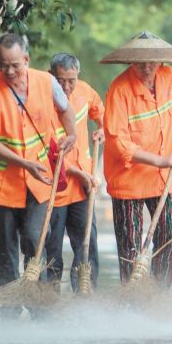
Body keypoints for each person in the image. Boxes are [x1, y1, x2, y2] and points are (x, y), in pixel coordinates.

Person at [0, 33, 76, 295]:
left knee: (35, 235)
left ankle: (40, 304)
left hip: (38, 180)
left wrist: (71, 134)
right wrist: (24, 163)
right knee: (5, 250)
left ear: (26, 59)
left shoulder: (47, 82)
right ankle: (10, 309)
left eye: (16, 64)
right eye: (4, 64)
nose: (10, 70)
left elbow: (64, 109)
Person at [102, 31, 172, 286]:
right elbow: (118, 143)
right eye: (141, 62)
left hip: (166, 179)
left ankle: (159, 294)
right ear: (131, 61)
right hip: (128, 181)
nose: (147, 67)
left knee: (169, 235)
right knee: (130, 244)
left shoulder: (170, 77)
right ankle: (132, 296)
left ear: (161, 62)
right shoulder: (119, 90)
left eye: (152, 62)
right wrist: (160, 161)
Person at [44, 53, 105, 291]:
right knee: (53, 247)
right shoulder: (43, 102)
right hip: (56, 188)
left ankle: (86, 290)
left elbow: (102, 114)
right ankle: (49, 296)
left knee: (86, 244)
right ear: (51, 77)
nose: (67, 87)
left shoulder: (86, 92)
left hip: (82, 189)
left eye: (72, 80)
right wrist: (81, 174)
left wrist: (102, 129)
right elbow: (50, 151)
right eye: (61, 80)